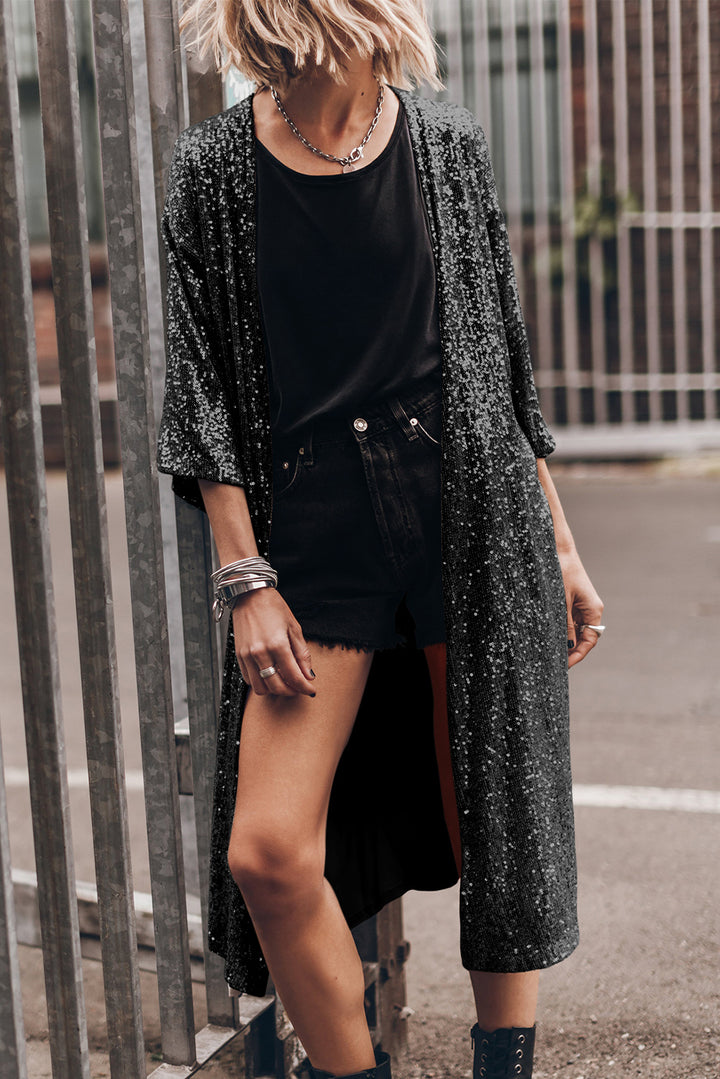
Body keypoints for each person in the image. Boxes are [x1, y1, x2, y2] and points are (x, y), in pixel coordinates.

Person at [156, 3, 605, 1079]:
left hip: (471, 505)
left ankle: (505, 1062)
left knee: (492, 811)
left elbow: (500, 355)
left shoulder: (446, 140)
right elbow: (198, 388)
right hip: (317, 531)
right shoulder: (214, 169)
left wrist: (561, 542)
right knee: (268, 849)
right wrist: (245, 575)